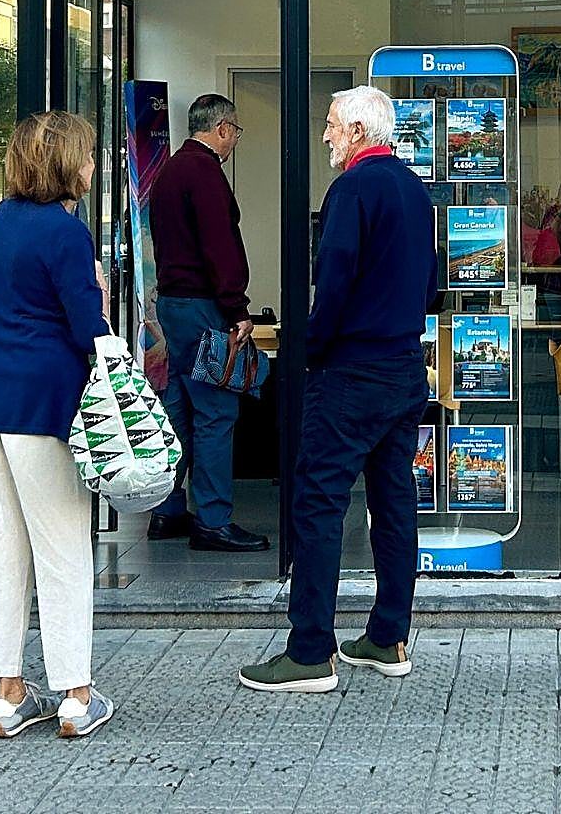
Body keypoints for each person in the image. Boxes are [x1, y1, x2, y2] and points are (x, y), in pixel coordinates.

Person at [239, 85, 436, 693]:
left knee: (318, 503)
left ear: (355, 131)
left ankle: (310, 651)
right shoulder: (414, 190)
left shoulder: (351, 189)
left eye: (330, 124)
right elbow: (430, 288)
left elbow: (334, 283)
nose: (324, 134)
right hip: (404, 365)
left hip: (350, 372)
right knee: (394, 502)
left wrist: (309, 351)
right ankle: (388, 638)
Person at [0, 110, 115, 739]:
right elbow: (87, 325)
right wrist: (99, 302)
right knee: (61, 549)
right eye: (85, 156)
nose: (93, 165)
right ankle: (76, 695)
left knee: (2, 550)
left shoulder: (4, 220)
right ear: (65, 166)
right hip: (44, 405)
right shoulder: (65, 232)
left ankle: (7, 694)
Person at [145, 93, 269, 552]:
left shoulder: (168, 171)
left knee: (177, 406)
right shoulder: (206, 174)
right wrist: (237, 309)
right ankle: (214, 519)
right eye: (235, 130)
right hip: (203, 308)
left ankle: (167, 508)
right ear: (220, 128)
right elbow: (219, 246)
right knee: (217, 411)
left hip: (172, 306)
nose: (235, 139)